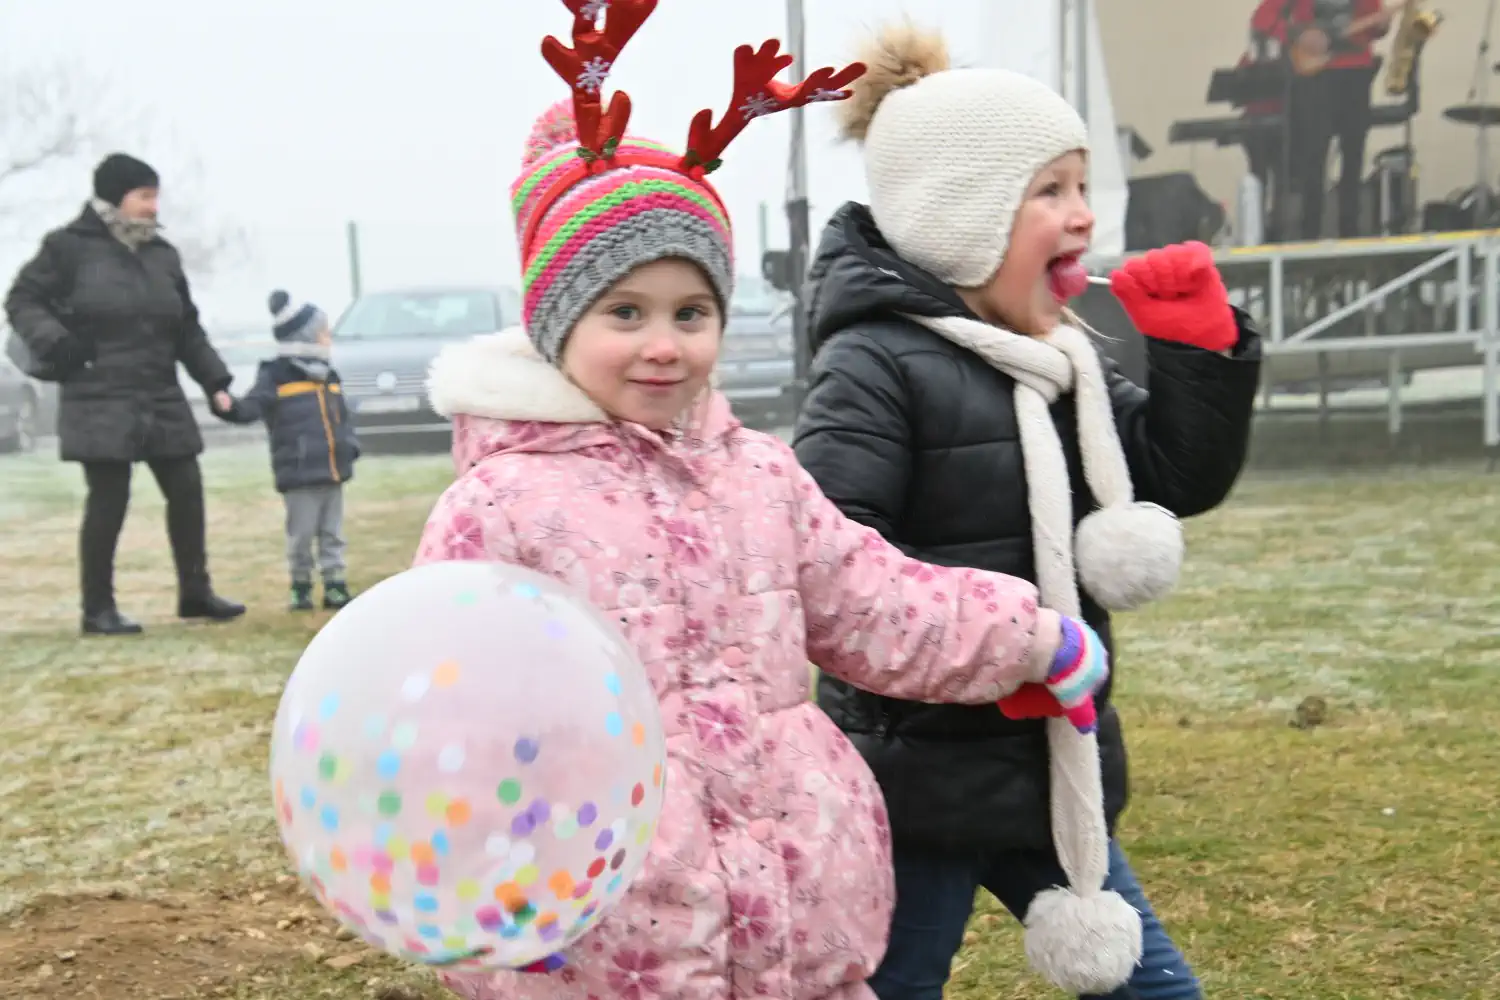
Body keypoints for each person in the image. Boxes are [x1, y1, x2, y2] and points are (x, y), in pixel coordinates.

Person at [408, 10, 1113, 997]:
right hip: (614, 935)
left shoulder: (759, 475)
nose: (666, 344)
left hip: (798, 903)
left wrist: (1030, 637)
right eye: (626, 313)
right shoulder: (499, 509)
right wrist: (497, 905)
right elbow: (459, 733)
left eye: (691, 313)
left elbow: (872, 598)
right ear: (555, 320)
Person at [792, 24, 1264, 1000]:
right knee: (891, 983)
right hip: (914, 785)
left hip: (1049, 772)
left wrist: (1197, 353)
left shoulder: (1062, 357)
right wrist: (996, 648)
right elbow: (836, 570)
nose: (1081, 215)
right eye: (1049, 192)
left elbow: (1172, 476)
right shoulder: (873, 365)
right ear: (963, 216)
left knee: (1159, 991)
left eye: (1083, 187)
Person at [4, 152, 245, 635]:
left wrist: (215, 382)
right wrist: (58, 343)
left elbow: (187, 328)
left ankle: (195, 594)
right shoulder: (67, 248)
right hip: (99, 393)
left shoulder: (163, 255)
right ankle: (98, 609)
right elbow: (21, 299)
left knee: (187, 489)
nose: (154, 206)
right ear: (116, 197)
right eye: (145, 196)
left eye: (156, 196)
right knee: (109, 500)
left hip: (160, 392)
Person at [216, 290, 358, 611]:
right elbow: (251, 407)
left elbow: (342, 418)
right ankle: (301, 586)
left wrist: (350, 447)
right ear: (305, 335)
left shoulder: (330, 376)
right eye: (323, 331)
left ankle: (335, 585)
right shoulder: (276, 376)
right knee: (302, 535)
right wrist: (229, 407)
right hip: (298, 474)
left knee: (333, 533)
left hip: (333, 470)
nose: (328, 337)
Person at [1251, 0, 1393, 239]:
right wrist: (1297, 35)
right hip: (1315, 75)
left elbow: (1373, 25)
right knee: (1314, 157)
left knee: (1354, 154)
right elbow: (1263, 17)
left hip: (1356, 73)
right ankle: (1310, 234)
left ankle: (1351, 233)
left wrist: (1382, 25)